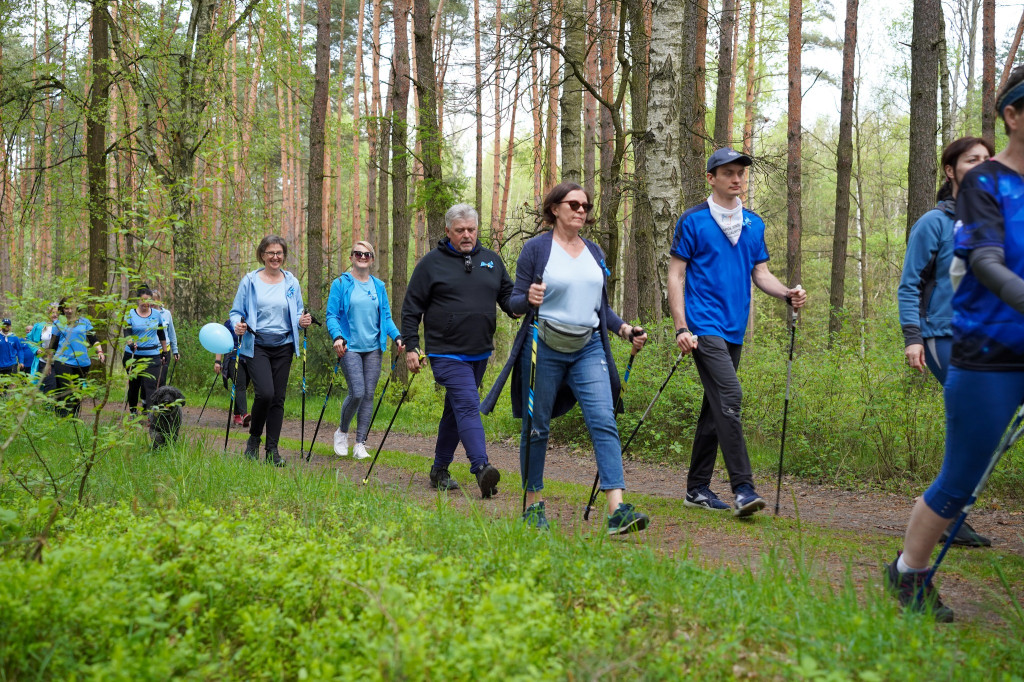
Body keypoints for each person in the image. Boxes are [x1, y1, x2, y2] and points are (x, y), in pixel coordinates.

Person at [884, 66, 1024, 622]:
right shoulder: (985, 185)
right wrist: (913, 337)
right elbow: (985, 262)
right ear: (1012, 115)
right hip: (985, 354)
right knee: (962, 476)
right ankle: (908, 571)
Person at [481, 182, 650, 535]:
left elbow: (601, 308)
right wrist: (528, 297)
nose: (580, 211)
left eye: (586, 206)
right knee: (537, 426)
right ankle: (533, 505)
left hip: (588, 347)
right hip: (543, 346)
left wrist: (624, 330)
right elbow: (513, 305)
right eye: (573, 204)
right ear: (554, 208)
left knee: (604, 420)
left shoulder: (595, 252)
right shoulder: (536, 250)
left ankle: (617, 510)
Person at [668, 147, 807, 518]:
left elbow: (760, 274)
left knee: (716, 407)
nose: (737, 178)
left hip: (734, 328)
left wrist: (787, 293)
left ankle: (696, 488)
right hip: (702, 326)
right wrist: (681, 326)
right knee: (731, 394)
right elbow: (676, 275)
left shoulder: (753, 224)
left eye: (741, 173)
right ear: (711, 177)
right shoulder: (693, 220)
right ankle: (743, 488)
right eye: (728, 172)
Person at [897, 136, 994, 548]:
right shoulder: (932, 224)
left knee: (984, 427)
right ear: (951, 171)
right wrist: (912, 338)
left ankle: (943, 509)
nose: (983, 165)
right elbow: (909, 285)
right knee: (975, 421)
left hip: (987, 338)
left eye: (988, 160)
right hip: (941, 336)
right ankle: (943, 513)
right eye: (972, 160)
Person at [401, 204, 514, 498]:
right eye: (460, 230)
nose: (467, 235)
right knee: (466, 403)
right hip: (446, 352)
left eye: (472, 229)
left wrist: (532, 300)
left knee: (454, 412)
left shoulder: (491, 261)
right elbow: (411, 308)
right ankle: (481, 468)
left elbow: (509, 300)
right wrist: (411, 346)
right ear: (448, 231)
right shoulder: (431, 264)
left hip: (479, 352)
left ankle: (439, 470)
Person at [230, 235, 312, 466]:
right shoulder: (250, 281)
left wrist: (302, 321)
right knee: (265, 393)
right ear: (262, 255)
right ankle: (254, 439)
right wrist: (238, 324)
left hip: (284, 345)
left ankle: (272, 450)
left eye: (279, 253)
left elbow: (297, 313)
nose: (275, 257)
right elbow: (236, 311)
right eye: (270, 253)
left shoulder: (291, 282)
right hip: (256, 345)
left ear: (283, 255)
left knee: (278, 398)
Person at [326, 240, 404, 460]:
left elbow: (386, 317)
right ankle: (342, 432)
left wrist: (396, 336)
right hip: (349, 346)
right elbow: (331, 316)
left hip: (373, 348)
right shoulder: (341, 283)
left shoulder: (378, 286)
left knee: (369, 394)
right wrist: (337, 336)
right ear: (351, 257)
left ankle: (360, 443)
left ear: (372, 259)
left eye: (367, 254)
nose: (362, 257)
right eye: (358, 254)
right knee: (357, 391)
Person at [43, 298, 106, 417]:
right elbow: (53, 345)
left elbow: (94, 340)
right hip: (62, 361)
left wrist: (100, 352)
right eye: (66, 308)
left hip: (82, 362)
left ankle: (74, 418)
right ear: (62, 309)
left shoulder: (85, 322)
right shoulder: (58, 323)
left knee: (77, 392)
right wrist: (48, 364)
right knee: (66, 389)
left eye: (72, 308)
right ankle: (63, 418)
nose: (69, 311)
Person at [121, 286, 169, 413]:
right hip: (133, 354)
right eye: (143, 300)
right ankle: (132, 412)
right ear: (138, 300)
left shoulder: (156, 314)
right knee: (134, 386)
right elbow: (127, 332)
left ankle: (150, 413)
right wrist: (131, 343)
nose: (145, 303)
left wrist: (164, 352)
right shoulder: (130, 314)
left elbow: (161, 334)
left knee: (150, 385)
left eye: (148, 300)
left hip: (152, 355)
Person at [214, 319, 250, 426]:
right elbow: (221, 341)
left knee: (243, 386)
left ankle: (237, 415)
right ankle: (244, 415)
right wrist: (217, 361)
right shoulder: (229, 323)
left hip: (249, 359)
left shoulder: (252, 321)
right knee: (240, 385)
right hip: (233, 358)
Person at [151, 289, 179, 387]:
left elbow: (172, 333)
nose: (152, 303)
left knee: (162, 378)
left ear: (159, 300)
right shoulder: (147, 314)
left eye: (154, 300)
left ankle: (161, 401)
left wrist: (175, 351)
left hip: (165, 350)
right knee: (151, 379)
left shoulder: (166, 314)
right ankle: (149, 400)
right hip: (151, 351)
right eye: (150, 300)